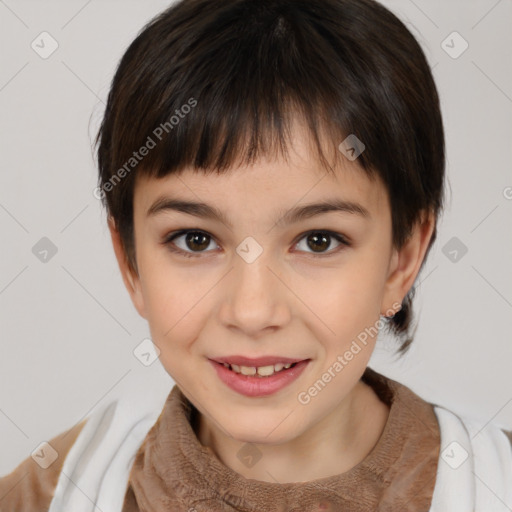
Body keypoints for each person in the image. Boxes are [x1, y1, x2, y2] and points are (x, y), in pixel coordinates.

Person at [1, 0, 511, 510]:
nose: (252, 311)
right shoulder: (49, 493)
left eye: (318, 240)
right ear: (130, 262)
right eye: (195, 240)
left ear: (403, 258)